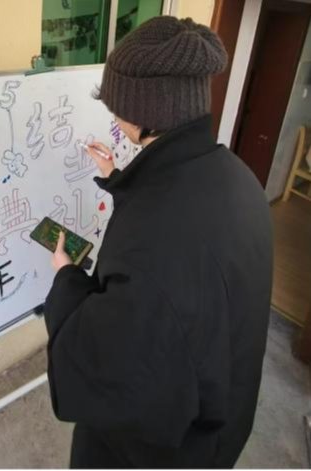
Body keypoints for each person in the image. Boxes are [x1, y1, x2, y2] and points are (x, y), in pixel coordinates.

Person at [44, 16, 273, 469]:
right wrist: (121, 180)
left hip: (160, 451)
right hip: (222, 418)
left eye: (116, 108)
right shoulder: (238, 178)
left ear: (141, 113)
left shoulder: (154, 242)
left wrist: (67, 279)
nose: (114, 118)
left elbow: (104, 362)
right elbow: (178, 223)